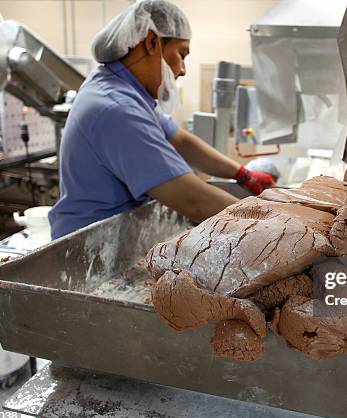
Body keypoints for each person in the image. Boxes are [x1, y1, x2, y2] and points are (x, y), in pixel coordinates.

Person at [49, 0, 275, 240]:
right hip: (88, 246)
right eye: (181, 54)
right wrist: (267, 224)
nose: (183, 70)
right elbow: (191, 198)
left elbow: (181, 140)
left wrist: (241, 174)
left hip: (114, 235)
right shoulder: (116, 108)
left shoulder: (124, 90)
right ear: (152, 42)